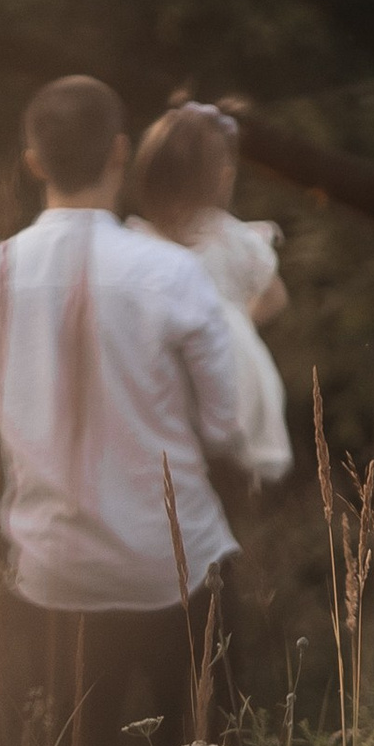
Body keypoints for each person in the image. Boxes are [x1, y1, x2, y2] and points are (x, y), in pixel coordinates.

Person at [0, 74, 263, 746]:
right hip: (174, 569)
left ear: (34, 160)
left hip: (49, 579)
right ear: (119, 153)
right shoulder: (169, 274)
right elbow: (225, 425)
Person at [128, 99, 295, 488]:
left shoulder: (139, 244)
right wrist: (237, 323)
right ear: (222, 178)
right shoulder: (234, 241)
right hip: (222, 372)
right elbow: (275, 296)